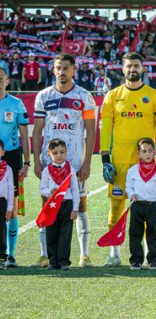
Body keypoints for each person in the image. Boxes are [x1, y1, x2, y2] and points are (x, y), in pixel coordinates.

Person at [100, 52, 156, 267]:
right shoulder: (112, 96)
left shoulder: (154, 96)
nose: (132, 69)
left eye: (136, 65)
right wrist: (104, 158)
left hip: (146, 163)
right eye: (129, 66)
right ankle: (114, 253)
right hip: (120, 161)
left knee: (148, 207)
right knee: (117, 206)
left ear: (143, 68)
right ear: (123, 69)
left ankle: (149, 255)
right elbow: (106, 128)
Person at [31, 53, 97, 269]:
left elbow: (90, 131)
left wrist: (86, 162)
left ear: (73, 71)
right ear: (53, 70)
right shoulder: (43, 96)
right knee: (47, 204)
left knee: (81, 205)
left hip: (75, 164)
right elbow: (38, 130)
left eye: (66, 68)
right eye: (58, 68)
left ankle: (84, 255)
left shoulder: (85, 96)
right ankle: (45, 255)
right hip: (49, 164)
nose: (62, 72)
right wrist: (38, 161)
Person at [0, 69, 30, 269]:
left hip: (10, 158)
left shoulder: (16, 104)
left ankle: (10, 254)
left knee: (11, 206)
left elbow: (24, 134)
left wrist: (27, 161)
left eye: (0, 79)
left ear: (7, 81)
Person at [40, 139, 80, 270]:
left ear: (66, 152)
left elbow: (75, 190)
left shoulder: (70, 170)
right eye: (55, 152)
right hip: (52, 205)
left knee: (65, 233)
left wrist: (75, 209)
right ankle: (53, 261)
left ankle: (63, 261)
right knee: (51, 232)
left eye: (62, 152)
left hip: (66, 204)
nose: (59, 155)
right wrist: (48, 192)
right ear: (49, 153)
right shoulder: (47, 170)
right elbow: (42, 188)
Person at [125, 138, 156, 270]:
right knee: (135, 234)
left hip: (152, 206)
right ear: (139, 153)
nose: (147, 154)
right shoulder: (133, 170)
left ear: (154, 152)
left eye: (150, 151)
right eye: (144, 151)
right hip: (137, 205)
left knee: (153, 234)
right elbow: (128, 186)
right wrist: (132, 195)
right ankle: (136, 260)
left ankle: (153, 259)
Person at [0, 141, 12, 269]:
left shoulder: (7, 169)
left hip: (1, 202)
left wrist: (9, 208)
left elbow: (10, 190)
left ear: (3, 152)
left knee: (1, 230)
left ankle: (2, 257)